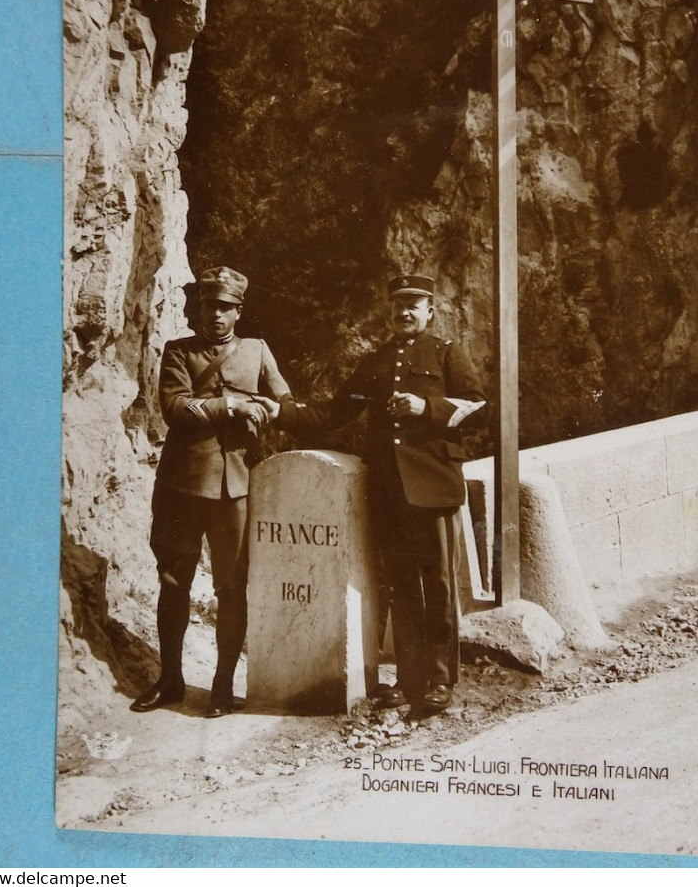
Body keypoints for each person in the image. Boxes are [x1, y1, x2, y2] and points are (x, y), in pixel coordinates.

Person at [257, 274, 487, 714]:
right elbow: (331, 413)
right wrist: (280, 411)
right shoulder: (375, 362)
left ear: (430, 310)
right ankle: (408, 677)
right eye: (398, 304)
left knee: (436, 584)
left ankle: (440, 680)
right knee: (400, 586)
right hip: (389, 491)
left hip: (434, 485)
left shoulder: (447, 353)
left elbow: (477, 406)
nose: (404, 311)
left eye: (414, 304)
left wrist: (428, 408)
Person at [130, 266, 292, 717]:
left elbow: (284, 399)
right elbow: (176, 408)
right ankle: (170, 679)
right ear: (198, 307)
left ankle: (222, 686)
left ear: (239, 312)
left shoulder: (257, 351)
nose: (215, 315)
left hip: (234, 489)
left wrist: (266, 408)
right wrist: (233, 405)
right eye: (209, 306)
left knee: (232, 586)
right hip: (182, 486)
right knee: (173, 582)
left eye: (225, 308)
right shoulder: (178, 351)